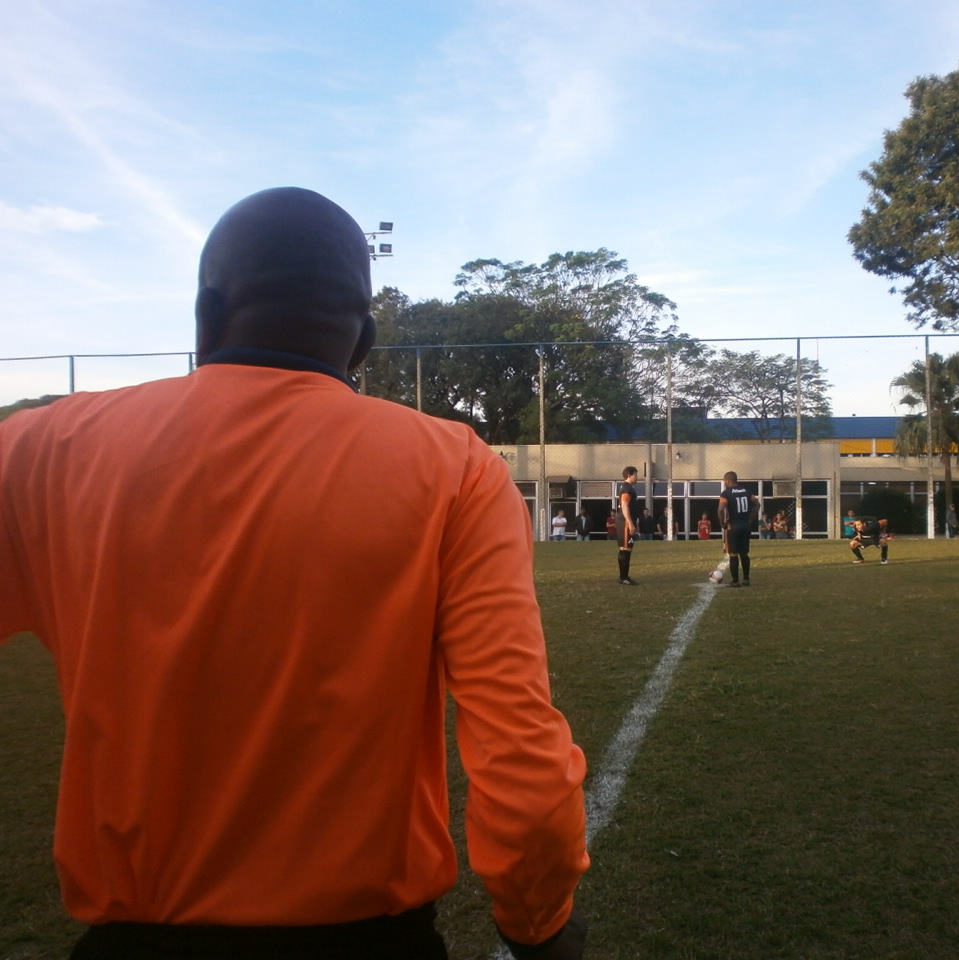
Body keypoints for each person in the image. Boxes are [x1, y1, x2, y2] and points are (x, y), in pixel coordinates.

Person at [0, 188, 588, 960]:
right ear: (363, 341)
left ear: (206, 315)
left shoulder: (34, 453)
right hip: (369, 942)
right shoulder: (456, 469)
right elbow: (519, 752)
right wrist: (539, 924)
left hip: (132, 939)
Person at [718, 471, 760, 587]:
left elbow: (721, 510)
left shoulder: (726, 493)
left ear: (728, 480)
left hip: (733, 526)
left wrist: (722, 524)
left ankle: (735, 581)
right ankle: (746, 579)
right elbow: (757, 504)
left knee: (733, 554)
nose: (724, 483)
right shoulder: (747, 491)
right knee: (744, 553)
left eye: (724, 481)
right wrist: (751, 518)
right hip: (746, 525)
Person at [616, 466, 640, 584]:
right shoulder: (627, 488)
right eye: (635, 475)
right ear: (629, 475)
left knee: (624, 549)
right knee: (626, 550)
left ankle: (623, 576)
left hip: (624, 521)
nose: (637, 477)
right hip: (625, 522)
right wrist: (630, 523)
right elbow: (624, 506)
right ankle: (624, 577)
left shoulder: (626, 487)